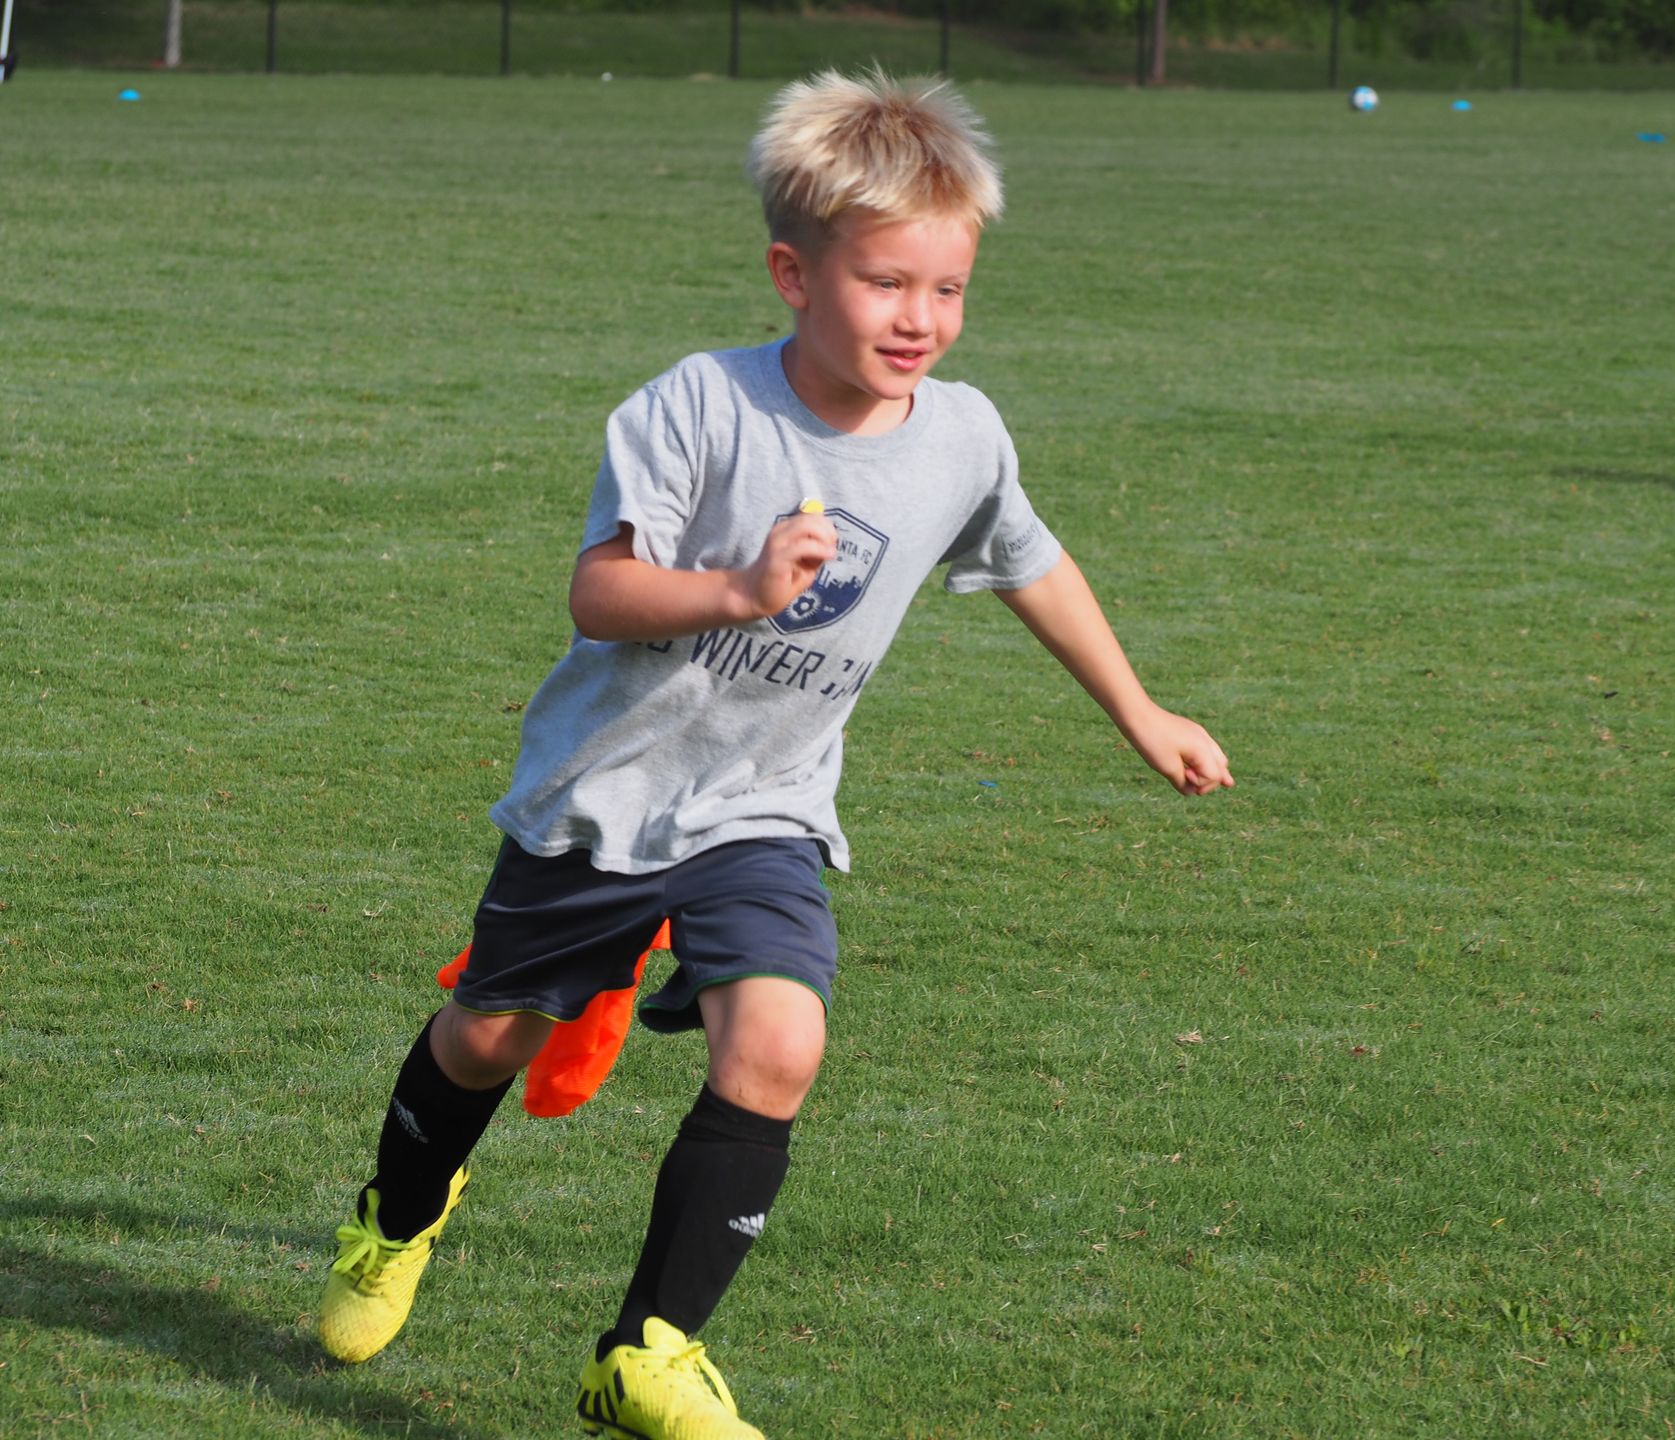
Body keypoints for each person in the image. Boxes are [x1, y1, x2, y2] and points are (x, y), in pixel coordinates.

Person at [315, 68, 1233, 1440]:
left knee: (780, 1043)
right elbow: (600, 593)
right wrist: (738, 591)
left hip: (765, 805)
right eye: (885, 283)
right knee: (489, 1036)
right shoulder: (698, 407)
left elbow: (1030, 561)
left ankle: (647, 1353)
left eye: (948, 288)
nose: (920, 319)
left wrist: (1140, 711)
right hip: (604, 795)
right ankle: (395, 1219)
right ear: (795, 276)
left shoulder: (963, 436)